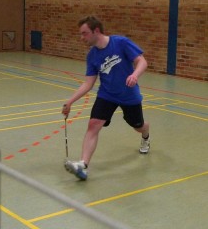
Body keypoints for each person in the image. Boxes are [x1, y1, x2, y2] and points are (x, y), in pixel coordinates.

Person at [62, 16, 150, 181]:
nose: (82, 38)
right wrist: (70, 101)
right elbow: (88, 84)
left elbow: (142, 61)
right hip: (107, 95)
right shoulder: (92, 56)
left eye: (84, 33)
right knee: (93, 125)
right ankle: (83, 165)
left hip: (129, 94)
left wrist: (135, 74)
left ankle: (145, 135)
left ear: (96, 31)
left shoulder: (121, 42)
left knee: (138, 125)